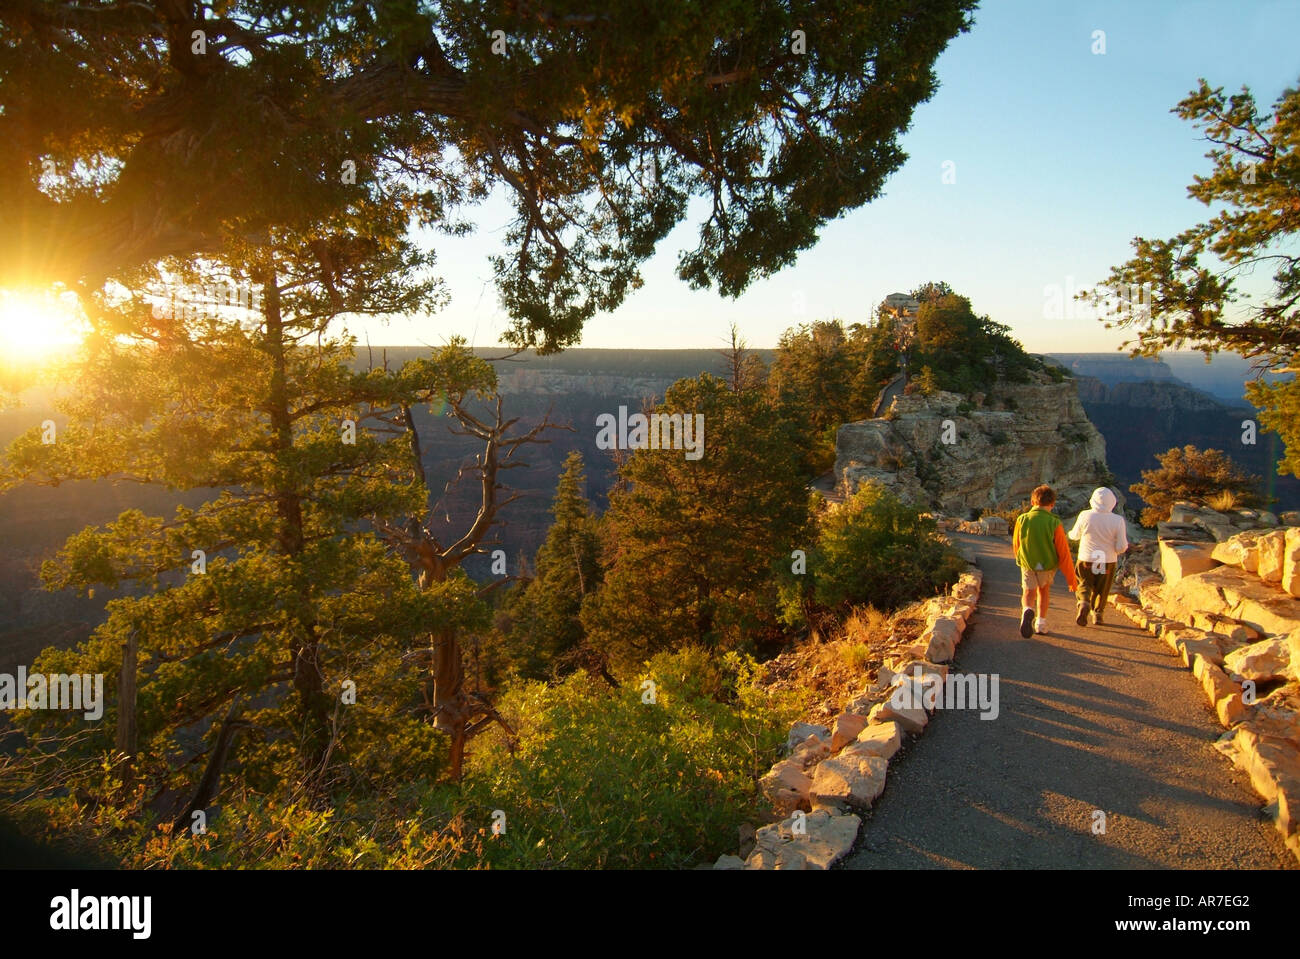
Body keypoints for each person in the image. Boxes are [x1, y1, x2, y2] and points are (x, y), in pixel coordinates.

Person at [1012, 484, 1078, 637]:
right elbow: (1064, 552)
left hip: (1028, 562)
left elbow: (1016, 544)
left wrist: (1020, 558)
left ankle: (1027, 611)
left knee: (1028, 592)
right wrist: (1071, 578)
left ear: (1032, 502)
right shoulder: (1055, 523)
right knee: (1044, 591)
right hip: (1047, 565)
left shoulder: (1022, 519)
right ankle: (1041, 623)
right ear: (1052, 504)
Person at [1068, 486, 1129, 626]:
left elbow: (1075, 535)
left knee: (1084, 583)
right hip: (1107, 560)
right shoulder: (1118, 520)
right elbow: (1121, 545)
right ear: (1112, 502)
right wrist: (1118, 551)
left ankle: (1083, 602)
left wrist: (1070, 534)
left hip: (1086, 557)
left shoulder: (1085, 515)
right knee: (1103, 587)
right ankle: (1098, 613)